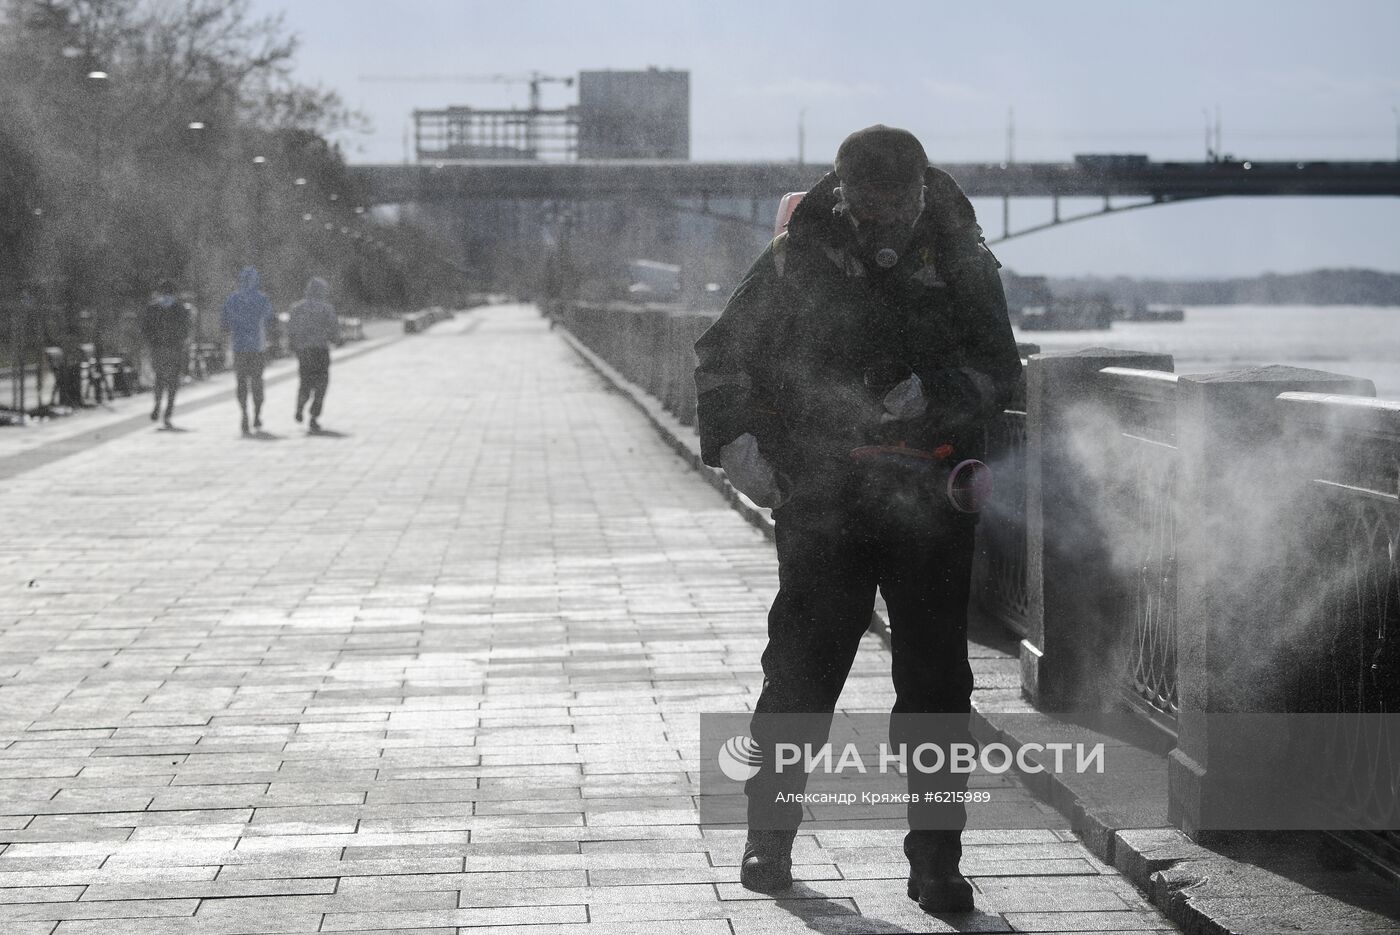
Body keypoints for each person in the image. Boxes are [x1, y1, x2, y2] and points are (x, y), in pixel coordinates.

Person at [693, 125, 1022, 913]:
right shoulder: (793, 255)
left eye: (897, 213)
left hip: (931, 502)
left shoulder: (961, 256)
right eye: (867, 215)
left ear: (919, 193)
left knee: (937, 685)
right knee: (801, 671)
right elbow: (722, 355)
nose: (883, 233)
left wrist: (935, 394)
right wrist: (737, 448)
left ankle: (936, 862)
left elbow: (999, 366)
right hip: (822, 496)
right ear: (841, 194)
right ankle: (767, 837)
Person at [220, 266, 276, 435]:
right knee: (257, 383)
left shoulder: (232, 300)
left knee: (241, 383)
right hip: (257, 347)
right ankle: (257, 414)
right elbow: (271, 320)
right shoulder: (262, 299)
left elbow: (224, 324)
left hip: (239, 347)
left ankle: (244, 413)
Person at [287, 276, 339, 432]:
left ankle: (300, 406)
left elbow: (291, 330)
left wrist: (293, 345)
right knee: (321, 385)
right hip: (321, 350)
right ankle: (314, 416)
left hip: (304, 351)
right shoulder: (326, 309)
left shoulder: (296, 308)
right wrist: (336, 339)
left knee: (305, 382)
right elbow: (334, 330)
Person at [139, 279, 191, 427]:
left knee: (159, 378)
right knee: (173, 381)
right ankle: (168, 412)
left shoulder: (152, 308)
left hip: (158, 349)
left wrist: (151, 343)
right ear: (174, 292)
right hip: (175, 348)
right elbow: (185, 331)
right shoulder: (180, 309)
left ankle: (157, 404)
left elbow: (145, 329)